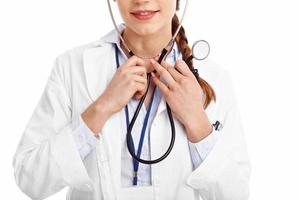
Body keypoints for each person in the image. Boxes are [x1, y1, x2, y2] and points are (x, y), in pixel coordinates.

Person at [13, 0, 251, 199]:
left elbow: (235, 194)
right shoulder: (72, 67)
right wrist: (102, 107)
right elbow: (30, 179)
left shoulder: (215, 79)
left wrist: (197, 122)